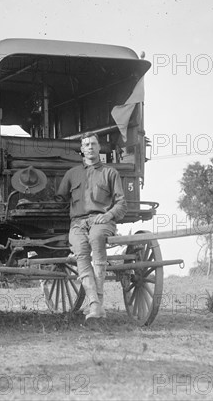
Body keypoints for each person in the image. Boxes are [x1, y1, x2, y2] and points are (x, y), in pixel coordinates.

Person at [55, 132, 127, 320]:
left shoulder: (110, 173)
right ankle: (96, 304)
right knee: (80, 249)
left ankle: (96, 303)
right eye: (86, 144)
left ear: (99, 147)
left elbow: (121, 203)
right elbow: (60, 198)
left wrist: (109, 214)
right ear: (81, 149)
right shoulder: (72, 174)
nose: (90, 147)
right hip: (77, 223)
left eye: (93, 144)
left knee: (96, 238)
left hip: (101, 221)